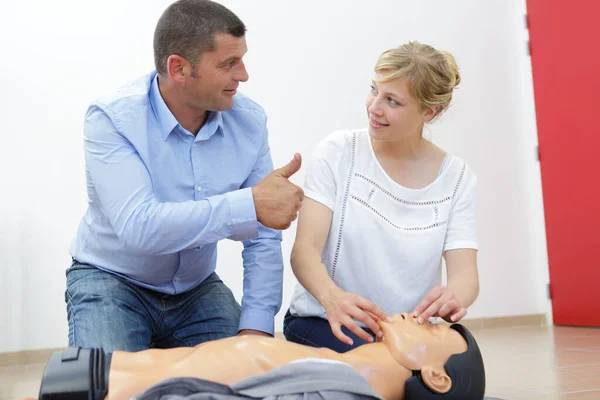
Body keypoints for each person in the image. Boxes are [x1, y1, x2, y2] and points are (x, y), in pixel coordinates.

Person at [66, 0, 304, 353]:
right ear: (178, 68)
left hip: (196, 290)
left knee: (251, 381)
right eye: (228, 64)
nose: (243, 75)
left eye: (242, 59)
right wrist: (248, 204)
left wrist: (256, 328)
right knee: (107, 387)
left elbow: (263, 236)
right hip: (111, 281)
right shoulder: (112, 119)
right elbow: (140, 229)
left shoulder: (250, 122)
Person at [284, 41, 479, 352]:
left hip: (408, 333)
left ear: (429, 111)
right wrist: (333, 298)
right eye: (374, 90)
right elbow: (304, 251)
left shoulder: (456, 177)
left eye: (392, 101)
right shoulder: (337, 152)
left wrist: (454, 296)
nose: (374, 107)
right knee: (384, 372)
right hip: (326, 322)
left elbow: (465, 274)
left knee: (459, 375)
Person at [35, 313, 486, 400]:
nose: (423, 318)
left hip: (102, 391)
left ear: (436, 377)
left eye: (435, 331)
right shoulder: (334, 368)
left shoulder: (337, 394)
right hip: (91, 371)